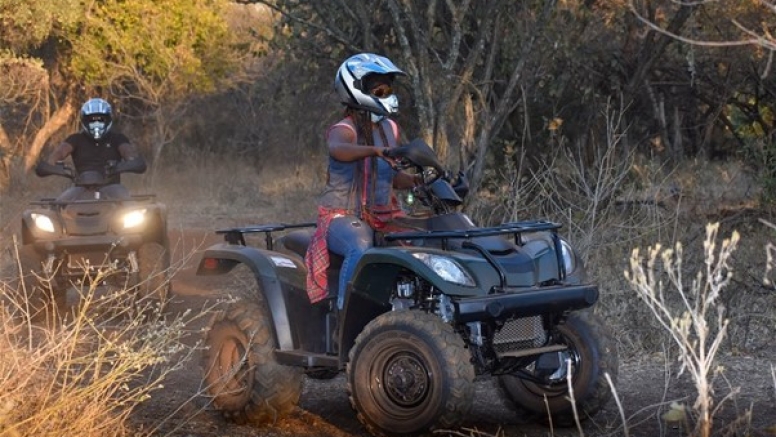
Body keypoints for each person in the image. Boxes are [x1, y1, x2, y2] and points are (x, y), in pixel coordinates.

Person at [305, 53, 421, 309]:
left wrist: (417, 181)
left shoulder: (390, 128)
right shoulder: (343, 129)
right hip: (340, 216)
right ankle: (346, 315)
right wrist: (374, 150)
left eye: (389, 88)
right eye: (380, 89)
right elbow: (338, 149)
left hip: (383, 214)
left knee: (425, 238)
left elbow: (391, 177)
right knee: (360, 245)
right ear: (356, 90)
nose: (387, 94)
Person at [35, 98, 146, 201]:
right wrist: (50, 164)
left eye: (101, 120)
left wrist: (131, 162)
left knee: (130, 207)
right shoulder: (75, 139)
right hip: (80, 189)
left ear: (108, 120)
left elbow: (128, 152)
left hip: (113, 188)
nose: (96, 124)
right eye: (92, 120)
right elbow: (60, 152)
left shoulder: (117, 139)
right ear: (84, 121)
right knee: (58, 206)